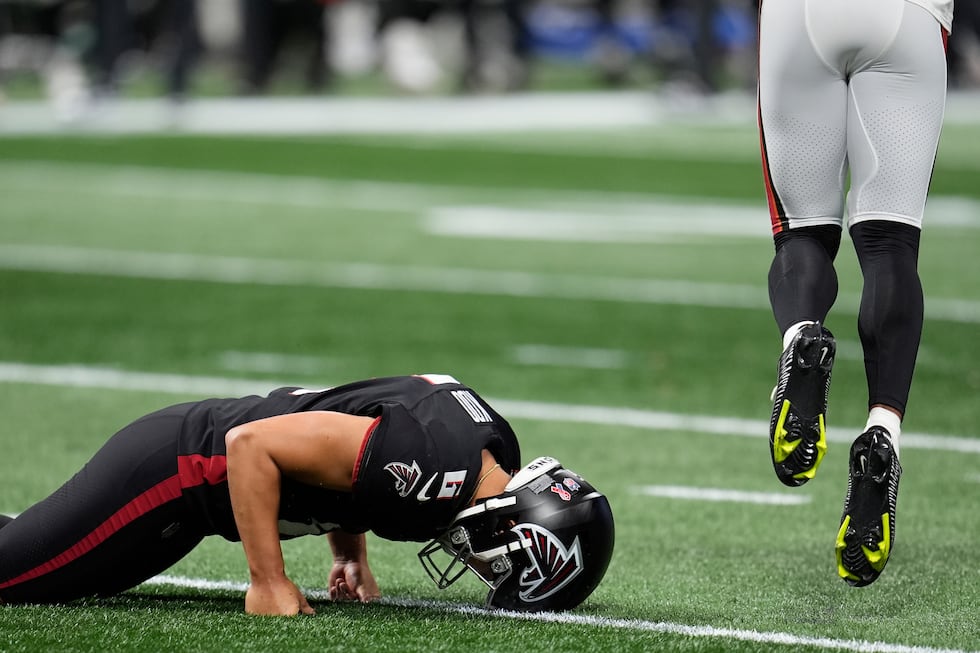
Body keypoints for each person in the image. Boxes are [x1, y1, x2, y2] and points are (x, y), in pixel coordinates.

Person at [0, 374, 614, 615]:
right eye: (499, 565)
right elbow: (250, 446)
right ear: (518, 531)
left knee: (51, 567)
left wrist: (351, 556)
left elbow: (353, 468)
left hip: (188, 496)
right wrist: (268, 580)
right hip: (175, 470)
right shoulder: (433, 469)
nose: (483, 566)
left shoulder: (481, 453)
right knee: (12, 580)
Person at [758, 0, 953, 587]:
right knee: (891, 246)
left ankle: (803, 337)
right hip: (910, 15)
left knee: (801, 235)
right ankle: (882, 432)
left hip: (803, 15)